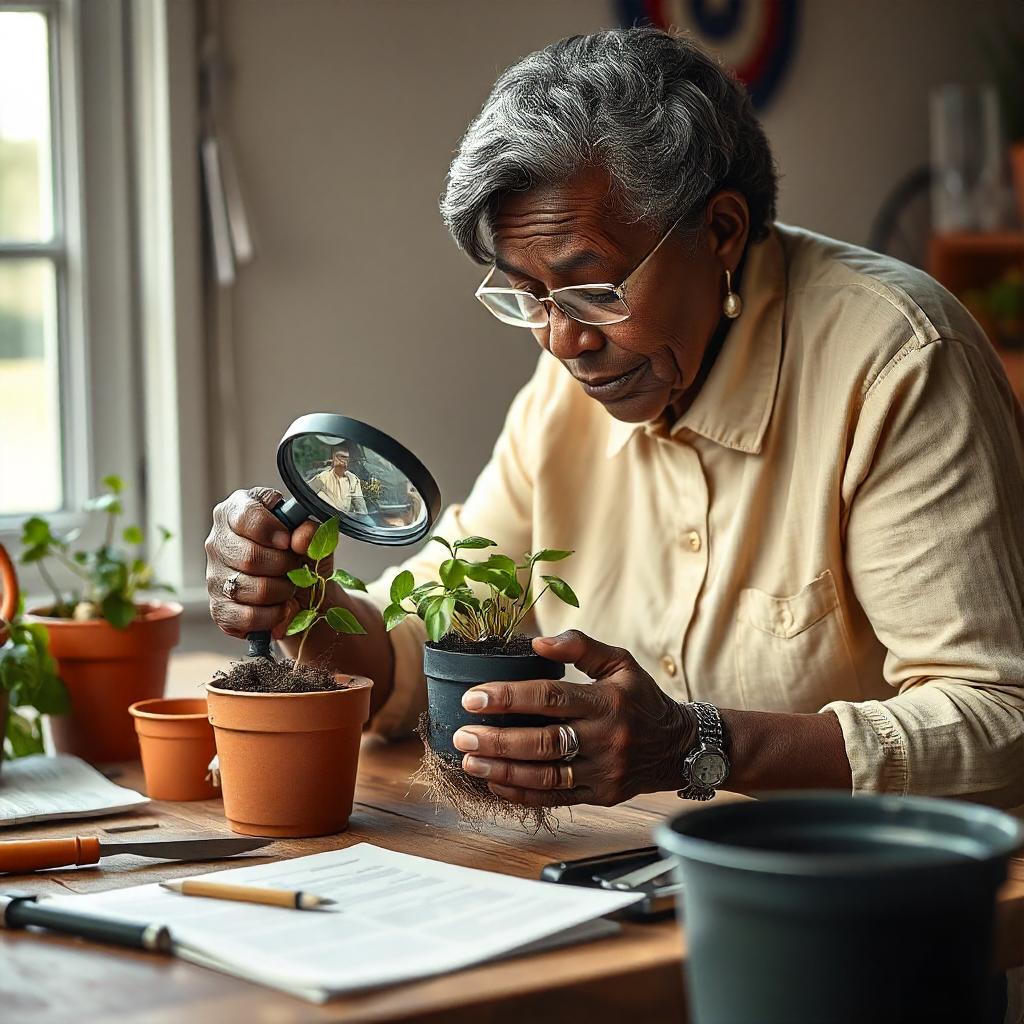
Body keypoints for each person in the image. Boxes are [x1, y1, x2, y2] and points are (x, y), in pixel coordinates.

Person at [206, 28, 1024, 814]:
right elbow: (404, 665)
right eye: (527, 296)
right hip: (625, 884)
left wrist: (698, 743)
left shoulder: (898, 361)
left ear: (722, 232)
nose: (564, 340)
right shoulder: (571, 384)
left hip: (855, 905)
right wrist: (298, 596)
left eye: (594, 288)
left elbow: (1001, 722)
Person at [310, 442, 368, 515]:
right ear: (333, 458)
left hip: (344, 521)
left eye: (346, 458)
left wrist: (349, 516)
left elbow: (362, 511)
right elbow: (305, 495)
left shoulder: (353, 480)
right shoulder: (321, 478)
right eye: (340, 457)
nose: (343, 461)